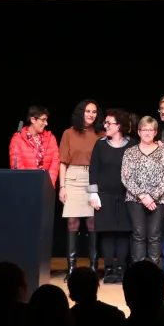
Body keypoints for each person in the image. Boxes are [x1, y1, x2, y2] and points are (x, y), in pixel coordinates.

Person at [58, 99, 104, 279]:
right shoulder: (68, 133)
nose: (91, 114)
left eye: (93, 111)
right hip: (73, 177)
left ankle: (93, 266)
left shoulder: (101, 134)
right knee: (72, 222)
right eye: (87, 111)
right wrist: (62, 187)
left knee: (92, 222)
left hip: (93, 178)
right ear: (80, 113)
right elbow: (62, 162)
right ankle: (71, 267)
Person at [122, 117, 164, 269]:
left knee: (155, 235)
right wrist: (143, 196)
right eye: (144, 129)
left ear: (155, 132)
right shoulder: (129, 152)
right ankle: (138, 272)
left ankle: (155, 271)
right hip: (135, 199)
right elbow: (126, 177)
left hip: (159, 200)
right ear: (139, 132)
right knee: (138, 234)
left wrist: (153, 197)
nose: (147, 133)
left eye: (151, 130)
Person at [88, 109, 133, 283]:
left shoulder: (132, 145)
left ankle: (121, 268)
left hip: (125, 195)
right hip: (104, 195)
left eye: (109, 123)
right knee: (107, 233)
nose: (105, 125)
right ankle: (108, 269)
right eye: (105, 123)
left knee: (123, 232)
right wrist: (93, 193)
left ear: (119, 126)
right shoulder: (100, 144)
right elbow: (93, 170)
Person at [8, 105, 60, 185]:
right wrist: (30, 185)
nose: (46, 123)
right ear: (33, 119)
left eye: (46, 120)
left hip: (45, 188)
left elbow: (55, 162)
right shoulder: (17, 139)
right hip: (25, 187)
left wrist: (48, 184)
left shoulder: (51, 138)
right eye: (43, 120)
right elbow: (17, 166)